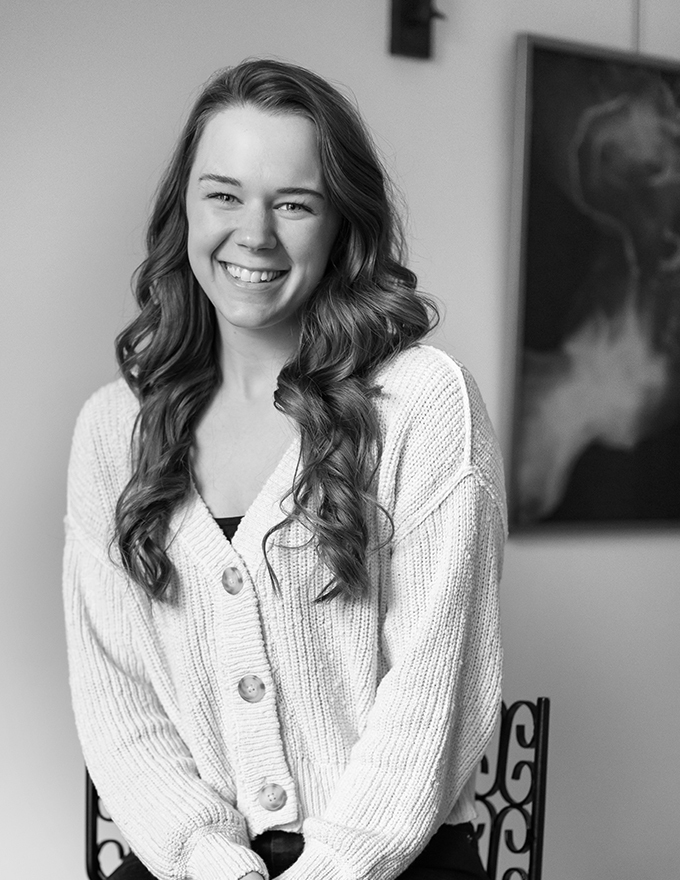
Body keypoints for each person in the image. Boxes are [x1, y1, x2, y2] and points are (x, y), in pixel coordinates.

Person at [63, 59, 506, 880]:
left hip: (394, 862)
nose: (255, 233)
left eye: (294, 203)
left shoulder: (421, 403)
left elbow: (432, 691)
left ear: (341, 222)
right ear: (182, 210)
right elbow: (119, 704)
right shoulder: (110, 431)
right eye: (223, 194)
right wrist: (208, 858)